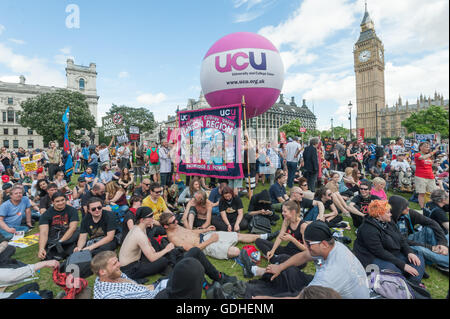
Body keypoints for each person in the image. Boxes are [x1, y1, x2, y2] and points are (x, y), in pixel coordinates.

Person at [248, 221, 370, 299]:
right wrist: (280, 267)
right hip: (335, 289)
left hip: (332, 292)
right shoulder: (335, 246)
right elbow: (305, 256)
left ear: (323, 244)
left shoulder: (329, 275)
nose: (305, 246)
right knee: (288, 267)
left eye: (309, 243)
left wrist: (267, 299)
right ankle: (261, 271)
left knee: (284, 293)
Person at [353, 200, 425, 284]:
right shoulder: (368, 229)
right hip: (373, 257)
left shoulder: (388, 221)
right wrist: (403, 265)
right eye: (388, 212)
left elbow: (401, 239)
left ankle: (411, 282)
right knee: (394, 270)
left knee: (417, 255)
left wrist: (409, 252)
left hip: (391, 252)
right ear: (379, 214)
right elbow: (379, 252)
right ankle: (409, 282)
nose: (390, 214)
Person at [160, 212, 278, 260]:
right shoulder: (173, 238)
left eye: (175, 220)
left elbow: (191, 233)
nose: (176, 222)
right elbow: (193, 250)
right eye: (173, 222)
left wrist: (205, 229)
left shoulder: (176, 226)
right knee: (235, 251)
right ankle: (253, 256)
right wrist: (211, 240)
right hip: (204, 247)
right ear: (166, 226)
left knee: (236, 235)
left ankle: (265, 236)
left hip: (206, 236)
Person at [389, 195, 448, 270]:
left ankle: (441, 252)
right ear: (398, 209)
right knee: (419, 249)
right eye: (405, 207)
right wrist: (430, 247)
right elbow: (401, 241)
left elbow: (432, 223)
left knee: (430, 229)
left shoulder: (409, 213)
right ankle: (442, 261)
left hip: (411, 238)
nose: (408, 208)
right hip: (404, 245)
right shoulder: (388, 220)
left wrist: (442, 243)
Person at [119, 207, 175, 280]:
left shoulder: (139, 227)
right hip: (130, 269)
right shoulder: (139, 234)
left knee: (153, 241)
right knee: (163, 261)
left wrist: (151, 247)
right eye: (151, 216)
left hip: (132, 260)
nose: (153, 218)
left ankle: (161, 256)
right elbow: (152, 258)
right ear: (142, 220)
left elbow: (147, 240)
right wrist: (167, 249)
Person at [92, 250, 168, 299]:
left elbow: (135, 285)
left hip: (152, 289)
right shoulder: (110, 296)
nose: (120, 264)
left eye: (117, 261)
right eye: (114, 263)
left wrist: (151, 287)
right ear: (102, 272)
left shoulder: (112, 275)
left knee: (176, 273)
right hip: (156, 295)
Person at [38, 192, 79, 260]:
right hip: (54, 236)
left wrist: (60, 241)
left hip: (68, 235)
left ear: (65, 200)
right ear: (52, 202)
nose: (61, 203)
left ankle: (59, 248)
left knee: (79, 231)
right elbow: (43, 232)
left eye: (62, 200)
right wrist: (41, 248)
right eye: (57, 201)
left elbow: (72, 228)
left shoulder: (72, 210)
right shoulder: (46, 214)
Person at [415, 142, 440, 208]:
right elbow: (422, 158)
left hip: (430, 176)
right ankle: (422, 208)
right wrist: (433, 152)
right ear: (420, 147)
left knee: (433, 193)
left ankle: (430, 206)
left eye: (428, 147)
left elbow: (430, 165)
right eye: (426, 146)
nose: (427, 148)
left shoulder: (429, 156)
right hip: (420, 176)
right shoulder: (417, 154)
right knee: (422, 193)